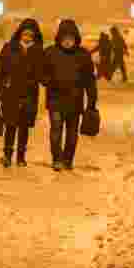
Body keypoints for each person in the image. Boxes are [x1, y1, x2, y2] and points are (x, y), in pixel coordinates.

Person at [42, 19, 97, 171]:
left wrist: (92, 102)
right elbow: (41, 74)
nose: (67, 41)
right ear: (59, 38)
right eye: (64, 38)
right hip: (55, 101)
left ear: (75, 39)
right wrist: (49, 82)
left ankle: (68, 160)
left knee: (72, 136)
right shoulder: (50, 53)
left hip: (75, 102)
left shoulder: (83, 55)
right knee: (56, 131)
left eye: (70, 38)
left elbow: (90, 80)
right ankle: (57, 159)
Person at [0, 18, 44, 167]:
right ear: (20, 33)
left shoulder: (39, 51)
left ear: (34, 36)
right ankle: (7, 155)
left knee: (24, 127)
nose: (27, 37)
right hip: (11, 92)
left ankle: (21, 157)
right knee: (10, 125)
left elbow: (44, 73)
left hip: (30, 93)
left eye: (30, 35)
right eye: (25, 34)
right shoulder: (9, 48)